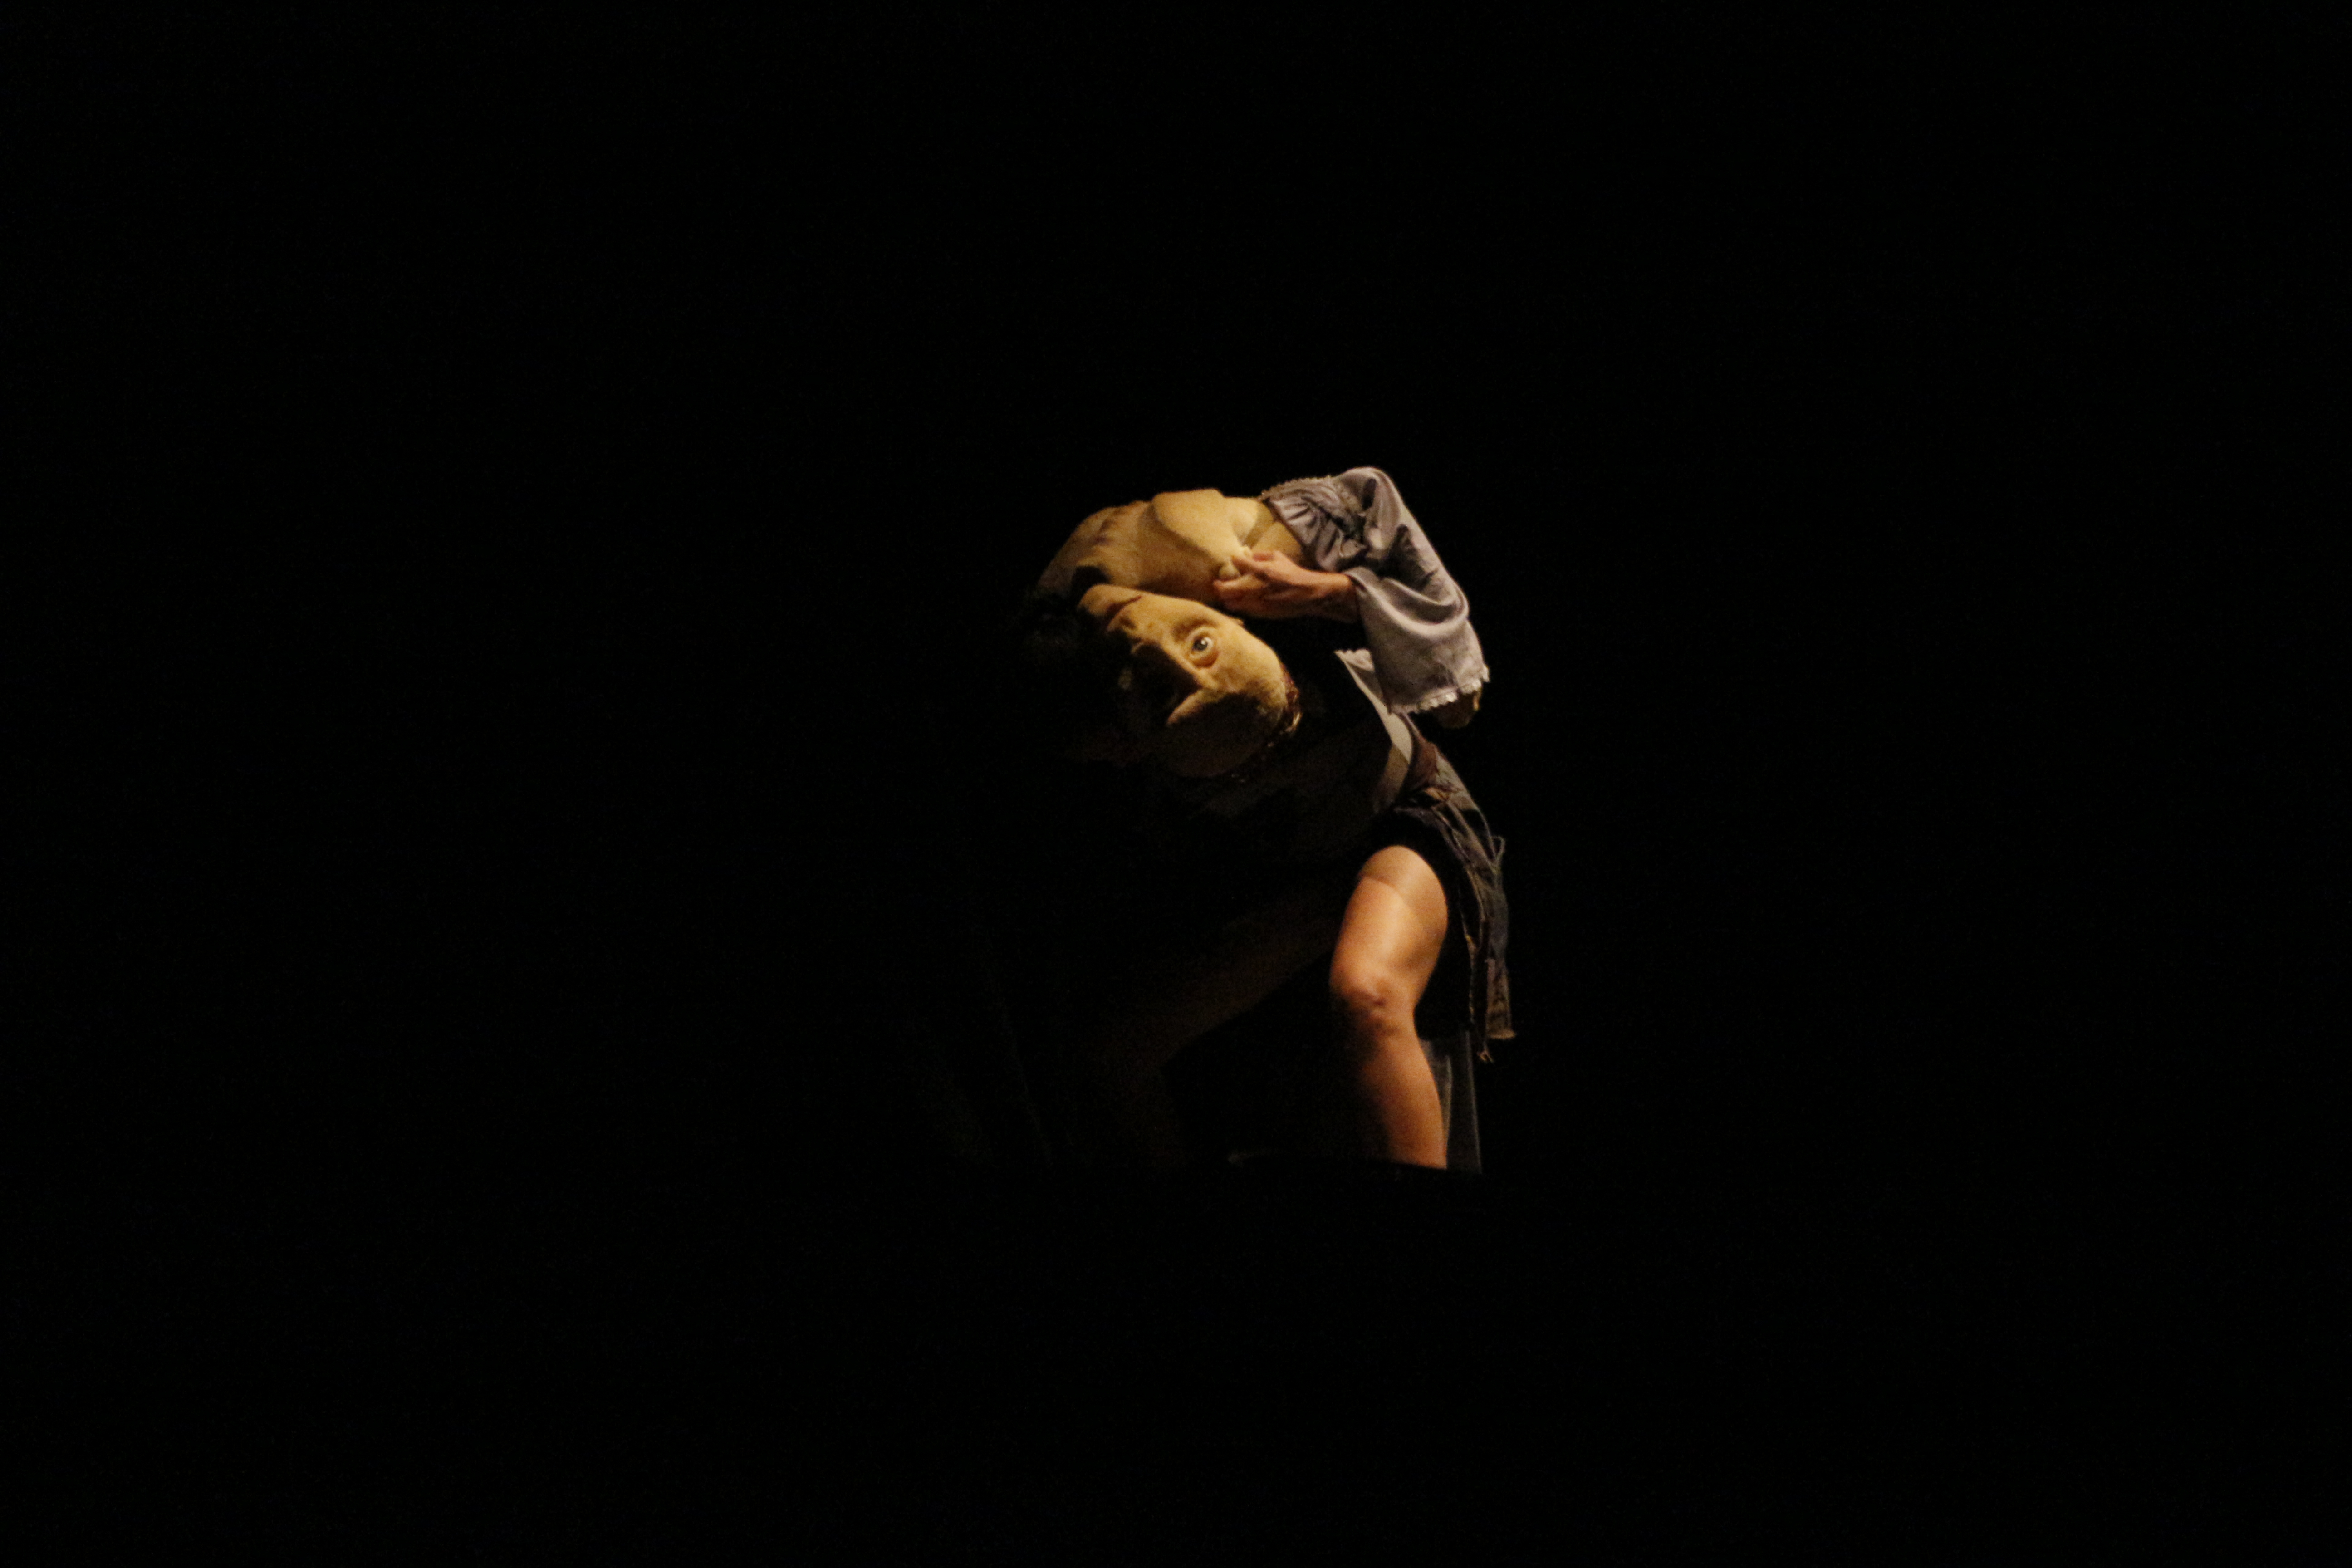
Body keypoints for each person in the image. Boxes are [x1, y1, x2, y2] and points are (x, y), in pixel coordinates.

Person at [1014, 469, 1510, 1172]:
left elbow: (1396, 549)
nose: (1118, 755)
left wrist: (1331, 593)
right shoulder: (1103, 726)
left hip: (1400, 818)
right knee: (1115, 1051)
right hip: (1297, 878)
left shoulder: (1220, 574)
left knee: (1367, 992)